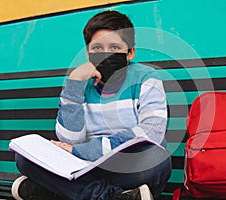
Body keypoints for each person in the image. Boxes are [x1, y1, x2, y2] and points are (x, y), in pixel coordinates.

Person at [11, 10, 171, 200]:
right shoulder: (80, 82)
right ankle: (111, 196)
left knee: (155, 161)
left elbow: (150, 133)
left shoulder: (146, 78)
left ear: (130, 52)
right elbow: (70, 138)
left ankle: (56, 190)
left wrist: (83, 150)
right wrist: (74, 83)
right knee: (24, 158)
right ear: (88, 52)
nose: (105, 54)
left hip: (124, 165)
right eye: (97, 48)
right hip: (81, 164)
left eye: (114, 47)